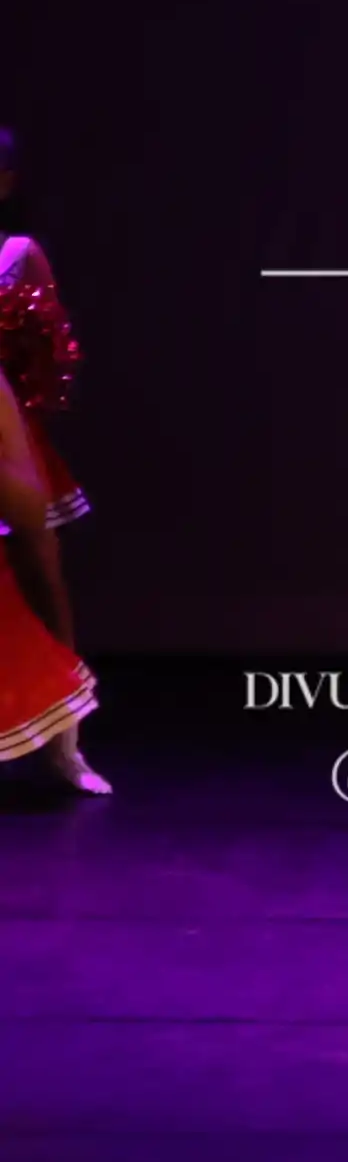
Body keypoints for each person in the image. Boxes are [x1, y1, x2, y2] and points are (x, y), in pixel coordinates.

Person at [0, 128, 96, 798]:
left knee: (42, 576)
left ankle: (68, 746)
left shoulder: (16, 254)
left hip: (6, 430)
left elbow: (54, 353)